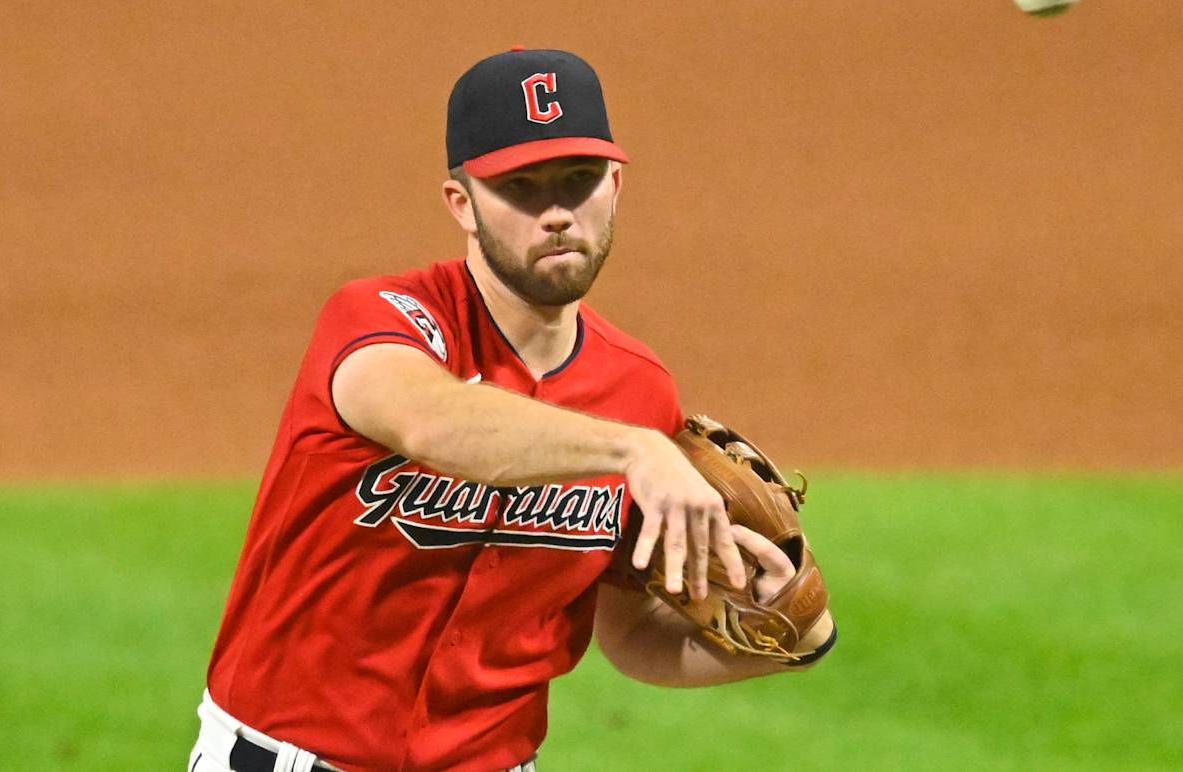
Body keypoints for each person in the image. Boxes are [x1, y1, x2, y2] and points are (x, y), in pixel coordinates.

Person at [188, 47, 836, 772]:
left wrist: (792, 640)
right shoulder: (381, 319)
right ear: (461, 203)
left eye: (578, 181)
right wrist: (631, 451)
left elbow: (631, 638)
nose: (556, 211)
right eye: (520, 187)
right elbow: (432, 423)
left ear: (616, 187)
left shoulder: (640, 393)